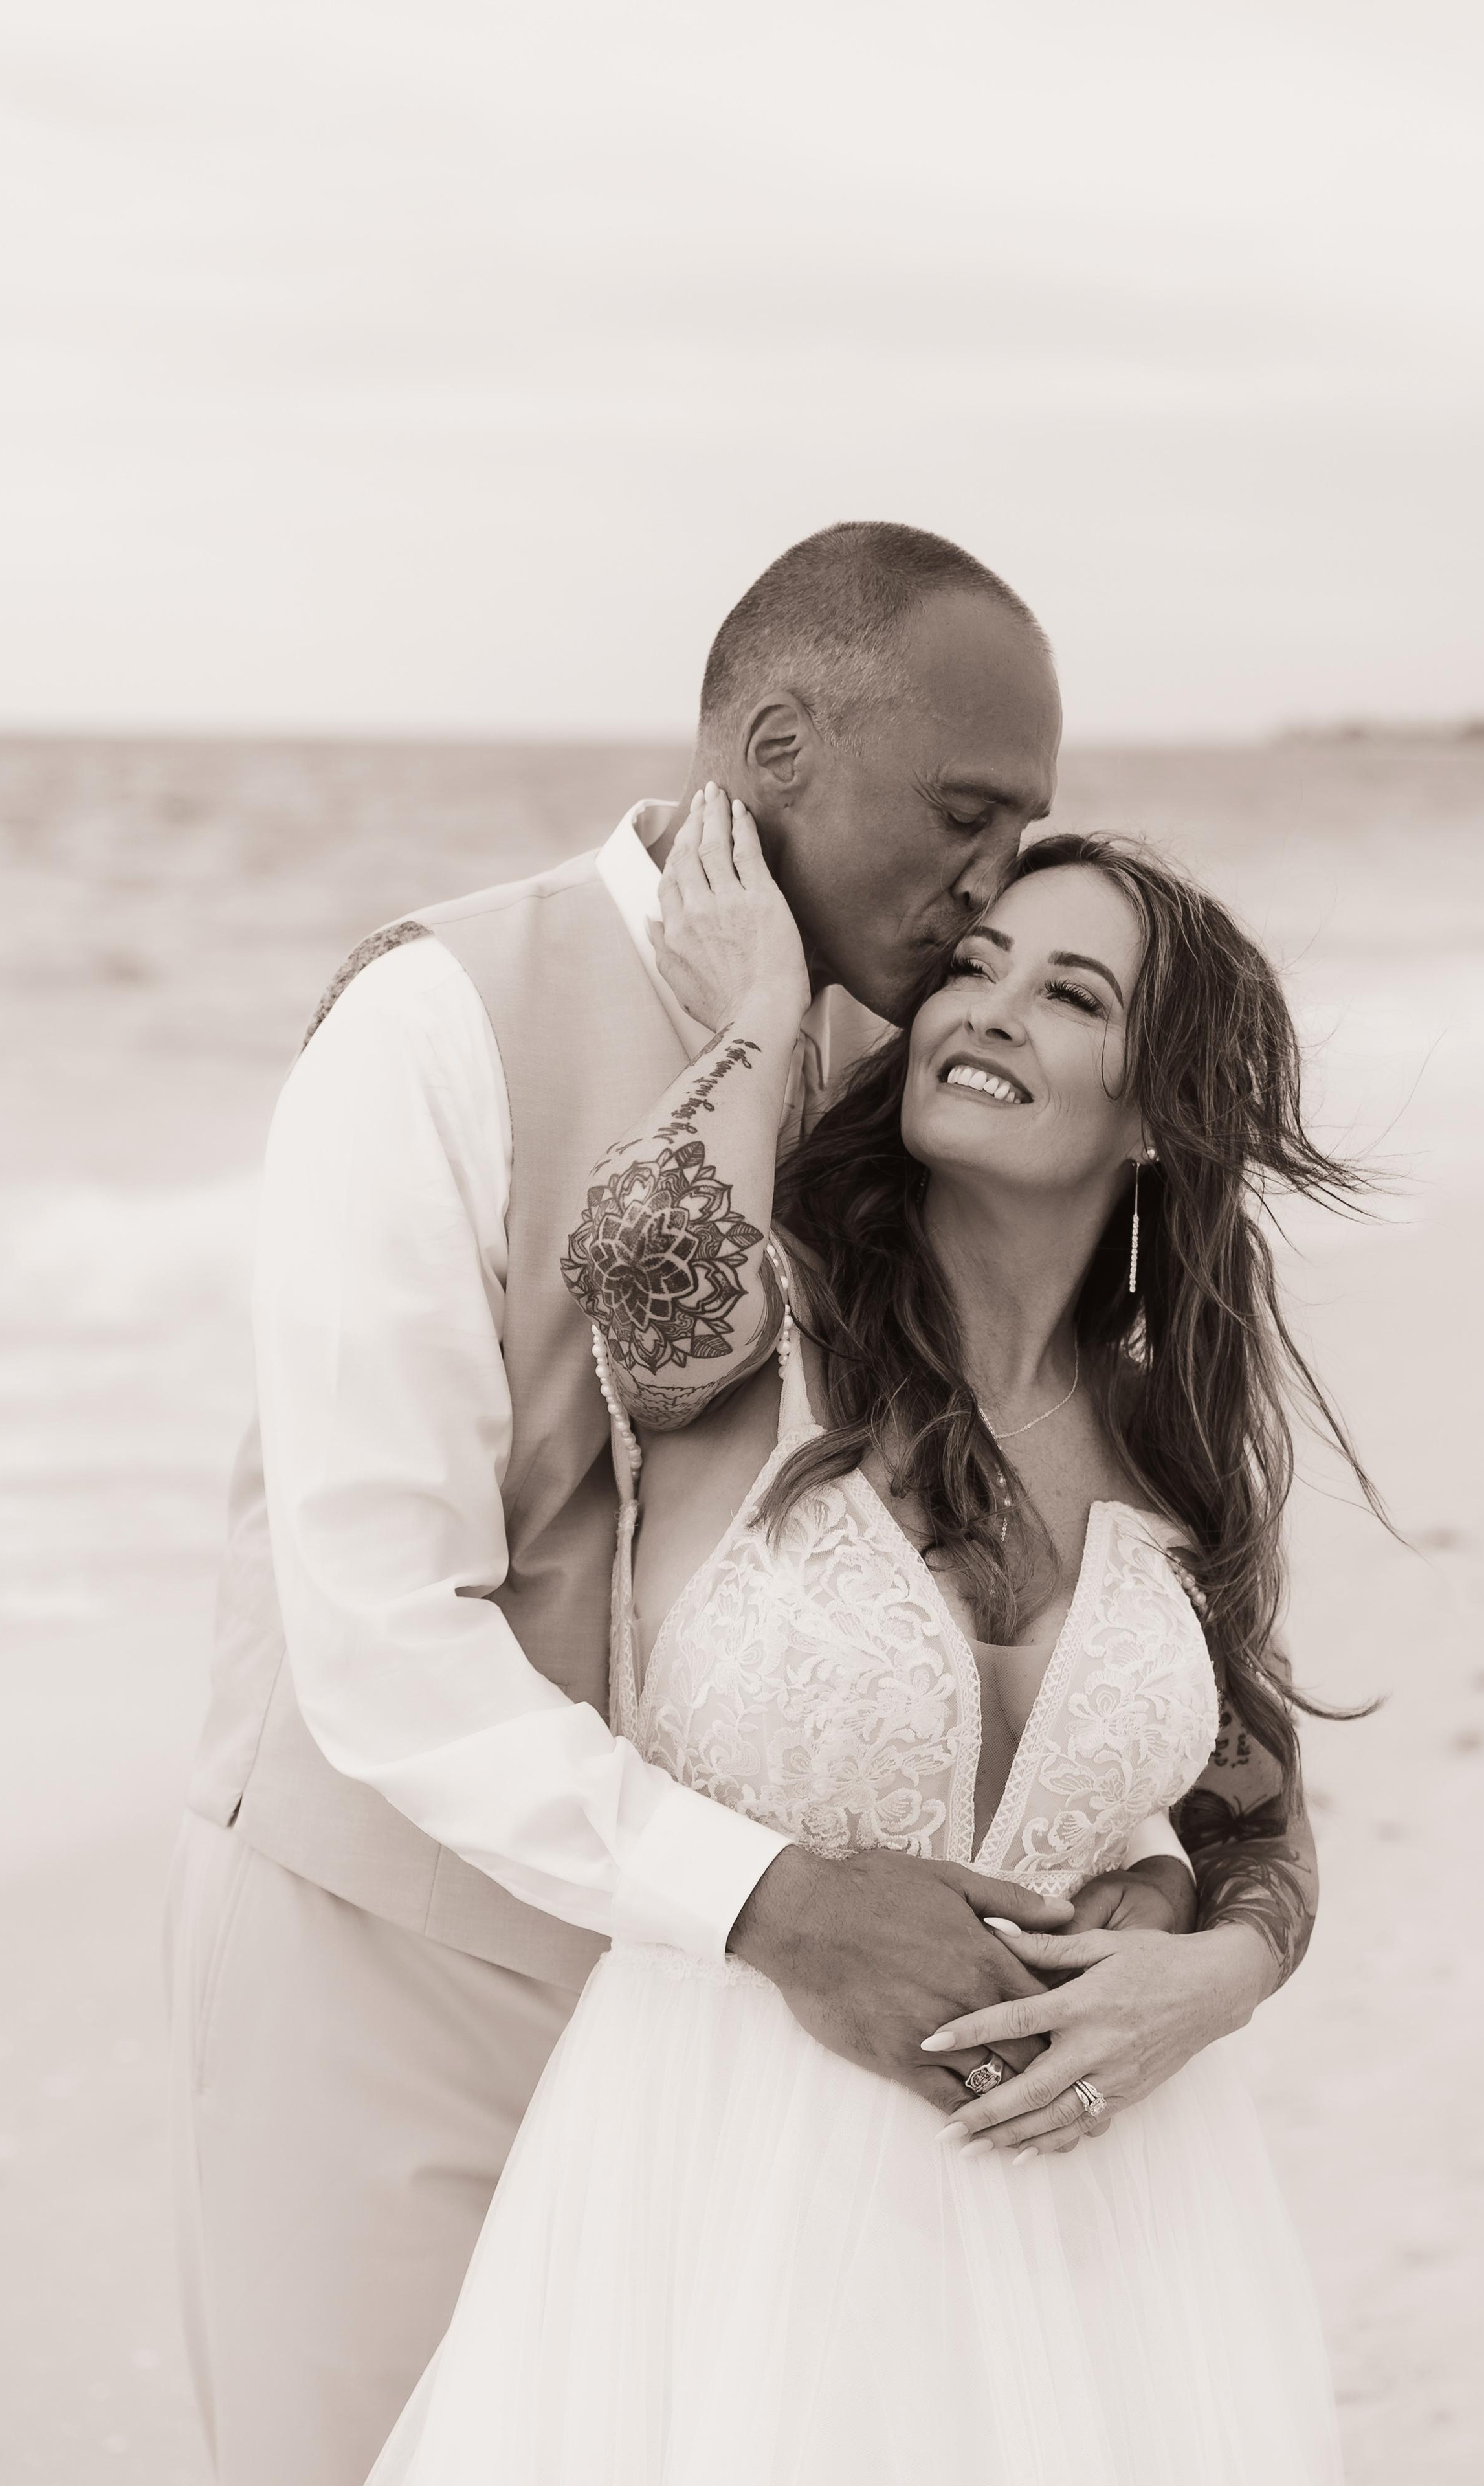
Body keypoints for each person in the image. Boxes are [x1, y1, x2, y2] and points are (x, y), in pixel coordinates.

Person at [166, 524, 1326, 2484]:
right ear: (777, 747)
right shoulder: (435, 1022)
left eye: (1025, 839)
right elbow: (375, 1623)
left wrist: (1186, 1921)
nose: (988, 896)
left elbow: (1111, 1592)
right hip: (406, 1954)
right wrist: (771, 1905)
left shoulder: (922, 1066)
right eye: (965, 818)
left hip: (774, 2023)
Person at [368, 796, 1357, 2483]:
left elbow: (1251, 1805)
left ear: (1159, 1118)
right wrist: (758, 1018)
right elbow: (635, 1261)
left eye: (1071, 994)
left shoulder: (1170, 1446)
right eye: (974, 965)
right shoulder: (766, 1363)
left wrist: (1217, 1978)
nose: (987, 1006)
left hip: (1116, 2212)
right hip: (732, 2182)